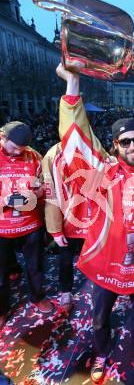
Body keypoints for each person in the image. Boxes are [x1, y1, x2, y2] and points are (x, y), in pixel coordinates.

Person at [56, 62, 134, 383]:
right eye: (125, 141)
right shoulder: (103, 173)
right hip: (105, 265)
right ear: (115, 145)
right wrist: (72, 85)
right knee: (100, 319)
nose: (133, 146)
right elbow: (75, 142)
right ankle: (102, 352)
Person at [0, 121, 53, 330]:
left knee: (35, 266)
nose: (17, 153)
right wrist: (7, 200)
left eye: (21, 149)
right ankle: (2, 309)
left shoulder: (33, 156)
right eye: (13, 148)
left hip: (30, 224)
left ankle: (37, 296)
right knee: (1, 273)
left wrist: (35, 194)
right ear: (3, 138)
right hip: (2, 226)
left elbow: (45, 186)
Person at [42, 142, 88, 312]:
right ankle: (66, 291)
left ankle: (98, 289)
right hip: (68, 219)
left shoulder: (93, 147)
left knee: (96, 257)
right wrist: (55, 228)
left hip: (93, 219)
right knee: (65, 258)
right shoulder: (53, 154)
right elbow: (50, 193)